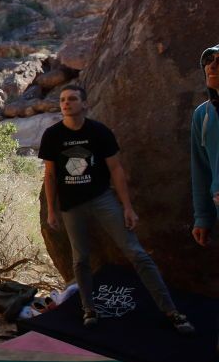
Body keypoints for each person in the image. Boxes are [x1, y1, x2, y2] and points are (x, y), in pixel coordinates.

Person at [39, 85, 194, 333]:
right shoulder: (53, 135)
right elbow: (50, 174)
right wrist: (51, 210)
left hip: (102, 198)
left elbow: (116, 170)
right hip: (71, 205)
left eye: (72, 99)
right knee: (81, 259)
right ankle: (89, 309)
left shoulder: (99, 132)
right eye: (63, 100)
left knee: (136, 252)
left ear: (85, 104)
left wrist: (127, 207)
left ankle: (171, 310)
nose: (66, 103)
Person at [190, 44, 219, 362]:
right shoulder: (203, 115)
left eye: (218, 61)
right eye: (207, 61)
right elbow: (199, 169)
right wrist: (202, 216)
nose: (211, 66)